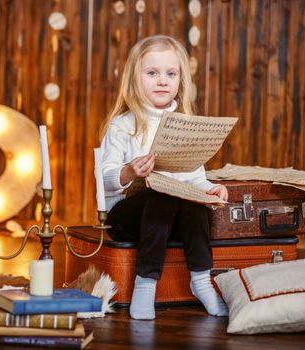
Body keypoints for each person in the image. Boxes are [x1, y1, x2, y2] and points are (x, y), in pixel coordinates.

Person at [99, 35, 229, 320]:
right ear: (136, 78)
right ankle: (145, 283)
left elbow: (194, 176)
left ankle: (201, 281)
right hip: (126, 218)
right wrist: (131, 171)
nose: (162, 81)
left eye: (171, 74)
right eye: (152, 73)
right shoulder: (124, 125)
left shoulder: (184, 123)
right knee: (161, 195)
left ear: (180, 81)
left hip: (167, 221)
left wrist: (210, 189)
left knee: (193, 202)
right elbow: (105, 179)